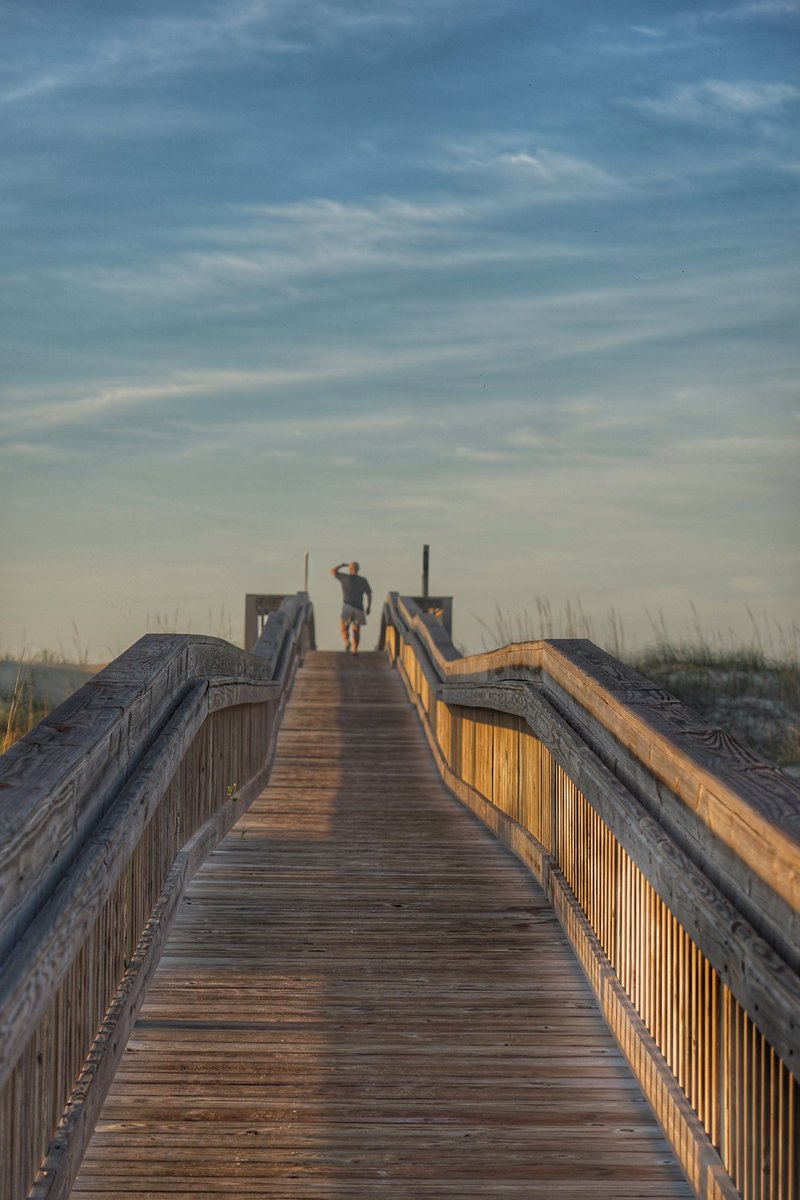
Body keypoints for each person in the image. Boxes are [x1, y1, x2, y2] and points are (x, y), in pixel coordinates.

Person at [330, 560, 372, 654]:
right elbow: (369, 594)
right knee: (356, 630)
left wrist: (342, 565)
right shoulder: (363, 580)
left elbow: (332, 571)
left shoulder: (345, 578)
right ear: (358, 569)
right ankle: (354, 650)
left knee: (344, 627)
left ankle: (347, 641)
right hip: (359, 608)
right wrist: (368, 607)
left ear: (350, 569)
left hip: (347, 606)